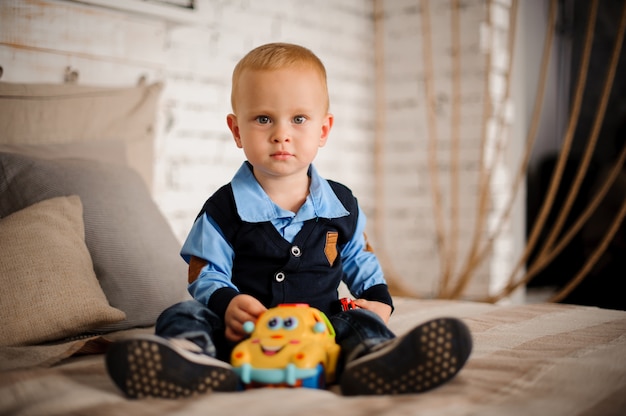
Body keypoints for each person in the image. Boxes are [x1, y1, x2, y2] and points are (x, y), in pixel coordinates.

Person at [105, 42, 472, 398]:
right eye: (263, 119)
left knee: (362, 323)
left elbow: (359, 258)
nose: (281, 134)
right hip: (246, 329)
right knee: (181, 314)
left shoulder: (341, 205)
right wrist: (228, 304)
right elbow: (204, 271)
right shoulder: (224, 207)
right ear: (236, 131)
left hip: (321, 325)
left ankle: (375, 363)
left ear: (323, 130)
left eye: (299, 119)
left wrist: (379, 301)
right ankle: (191, 361)